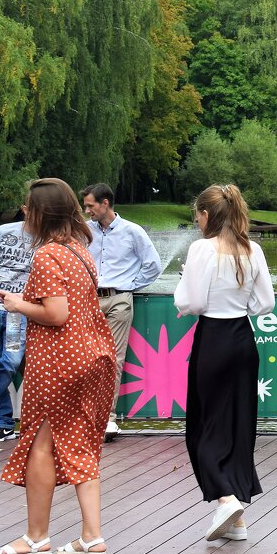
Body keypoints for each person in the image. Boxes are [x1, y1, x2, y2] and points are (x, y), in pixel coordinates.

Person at [0, 178, 117, 554]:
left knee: (40, 446)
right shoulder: (79, 250)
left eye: (28, 206)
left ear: (42, 212)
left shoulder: (47, 255)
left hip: (60, 360)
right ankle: (91, 537)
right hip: (94, 356)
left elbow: (56, 314)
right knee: (81, 442)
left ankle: (35, 538)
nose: (24, 212)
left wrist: (17, 304)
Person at [175, 185, 275, 542]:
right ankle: (236, 519)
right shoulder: (253, 249)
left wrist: (188, 277)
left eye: (197, 215)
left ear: (206, 215)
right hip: (243, 341)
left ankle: (226, 497)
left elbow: (191, 302)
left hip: (214, 339)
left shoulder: (202, 249)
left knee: (204, 424)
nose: (197, 221)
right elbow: (265, 304)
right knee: (237, 425)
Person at [81, 183, 161, 440]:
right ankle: (84, 417)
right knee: (85, 359)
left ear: (105, 203)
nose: (87, 210)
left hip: (118, 300)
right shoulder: (84, 231)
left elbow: (153, 265)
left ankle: (107, 419)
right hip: (88, 301)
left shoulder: (132, 231)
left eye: (90, 205)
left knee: (112, 359)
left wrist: (130, 286)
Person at [0, 219, 34, 442]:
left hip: (17, 311)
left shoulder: (49, 238)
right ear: (25, 208)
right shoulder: (3, 231)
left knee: (10, 361)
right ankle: (4, 423)